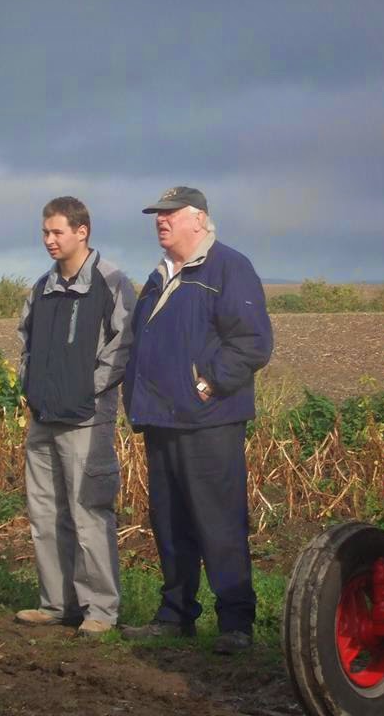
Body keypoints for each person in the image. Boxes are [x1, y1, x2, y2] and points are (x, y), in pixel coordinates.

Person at [120, 186, 273, 654]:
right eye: (157, 215)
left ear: (199, 220)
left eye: (170, 214)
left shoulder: (229, 267)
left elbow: (252, 342)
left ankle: (236, 624)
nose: (160, 221)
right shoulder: (160, 275)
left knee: (219, 522)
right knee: (169, 522)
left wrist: (205, 385)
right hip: (162, 420)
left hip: (209, 421)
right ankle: (175, 615)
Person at [15, 196, 136, 637]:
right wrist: (32, 388)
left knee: (90, 512)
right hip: (43, 419)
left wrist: (86, 391)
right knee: (44, 513)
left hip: (87, 420)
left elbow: (122, 348)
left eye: (57, 232)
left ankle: (100, 610)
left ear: (82, 232)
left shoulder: (111, 283)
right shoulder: (42, 287)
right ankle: (56, 603)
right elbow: (25, 342)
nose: (49, 240)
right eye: (45, 232)